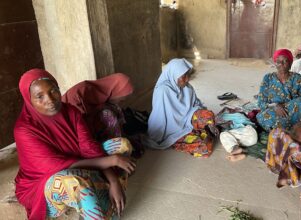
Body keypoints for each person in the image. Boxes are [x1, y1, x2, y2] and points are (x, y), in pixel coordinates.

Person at [14, 69, 136, 219]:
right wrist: (111, 161)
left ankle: (104, 196)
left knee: (123, 145)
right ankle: (96, 203)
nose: (50, 100)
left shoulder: (71, 112)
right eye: (40, 96)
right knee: (74, 182)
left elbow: (89, 148)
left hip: (80, 163)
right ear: (29, 100)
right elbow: (55, 166)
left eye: (53, 91)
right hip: (46, 182)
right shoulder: (24, 130)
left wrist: (113, 180)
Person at [146, 58, 217, 158]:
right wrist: (156, 138)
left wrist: (201, 113)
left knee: (209, 116)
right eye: (183, 76)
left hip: (188, 119)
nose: (187, 79)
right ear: (173, 75)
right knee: (203, 149)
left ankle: (200, 132)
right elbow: (159, 117)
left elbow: (197, 104)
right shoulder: (163, 91)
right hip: (173, 131)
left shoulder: (188, 88)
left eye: (188, 75)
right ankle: (180, 141)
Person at [62, 73, 134, 143]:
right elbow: (78, 119)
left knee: (115, 108)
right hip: (71, 128)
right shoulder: (84, 90)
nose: (121, 101)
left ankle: (120, 140)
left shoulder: (102, 92)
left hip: (87, 117)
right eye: (121, 99)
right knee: (108, 114)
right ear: (116, 91)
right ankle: (115, 145)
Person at [256, 49, 301, 131]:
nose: (281, 64)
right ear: (275, 63)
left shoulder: (297, 78)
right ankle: (292, 128)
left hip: (292, 112)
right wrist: (275, 106)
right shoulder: (268, 78)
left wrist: (286, 107)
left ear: (291, 63)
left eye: (285, 61)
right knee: (262, 117)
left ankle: (285, 128)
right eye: (278, 62)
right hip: (273, 111)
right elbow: (261, 102)